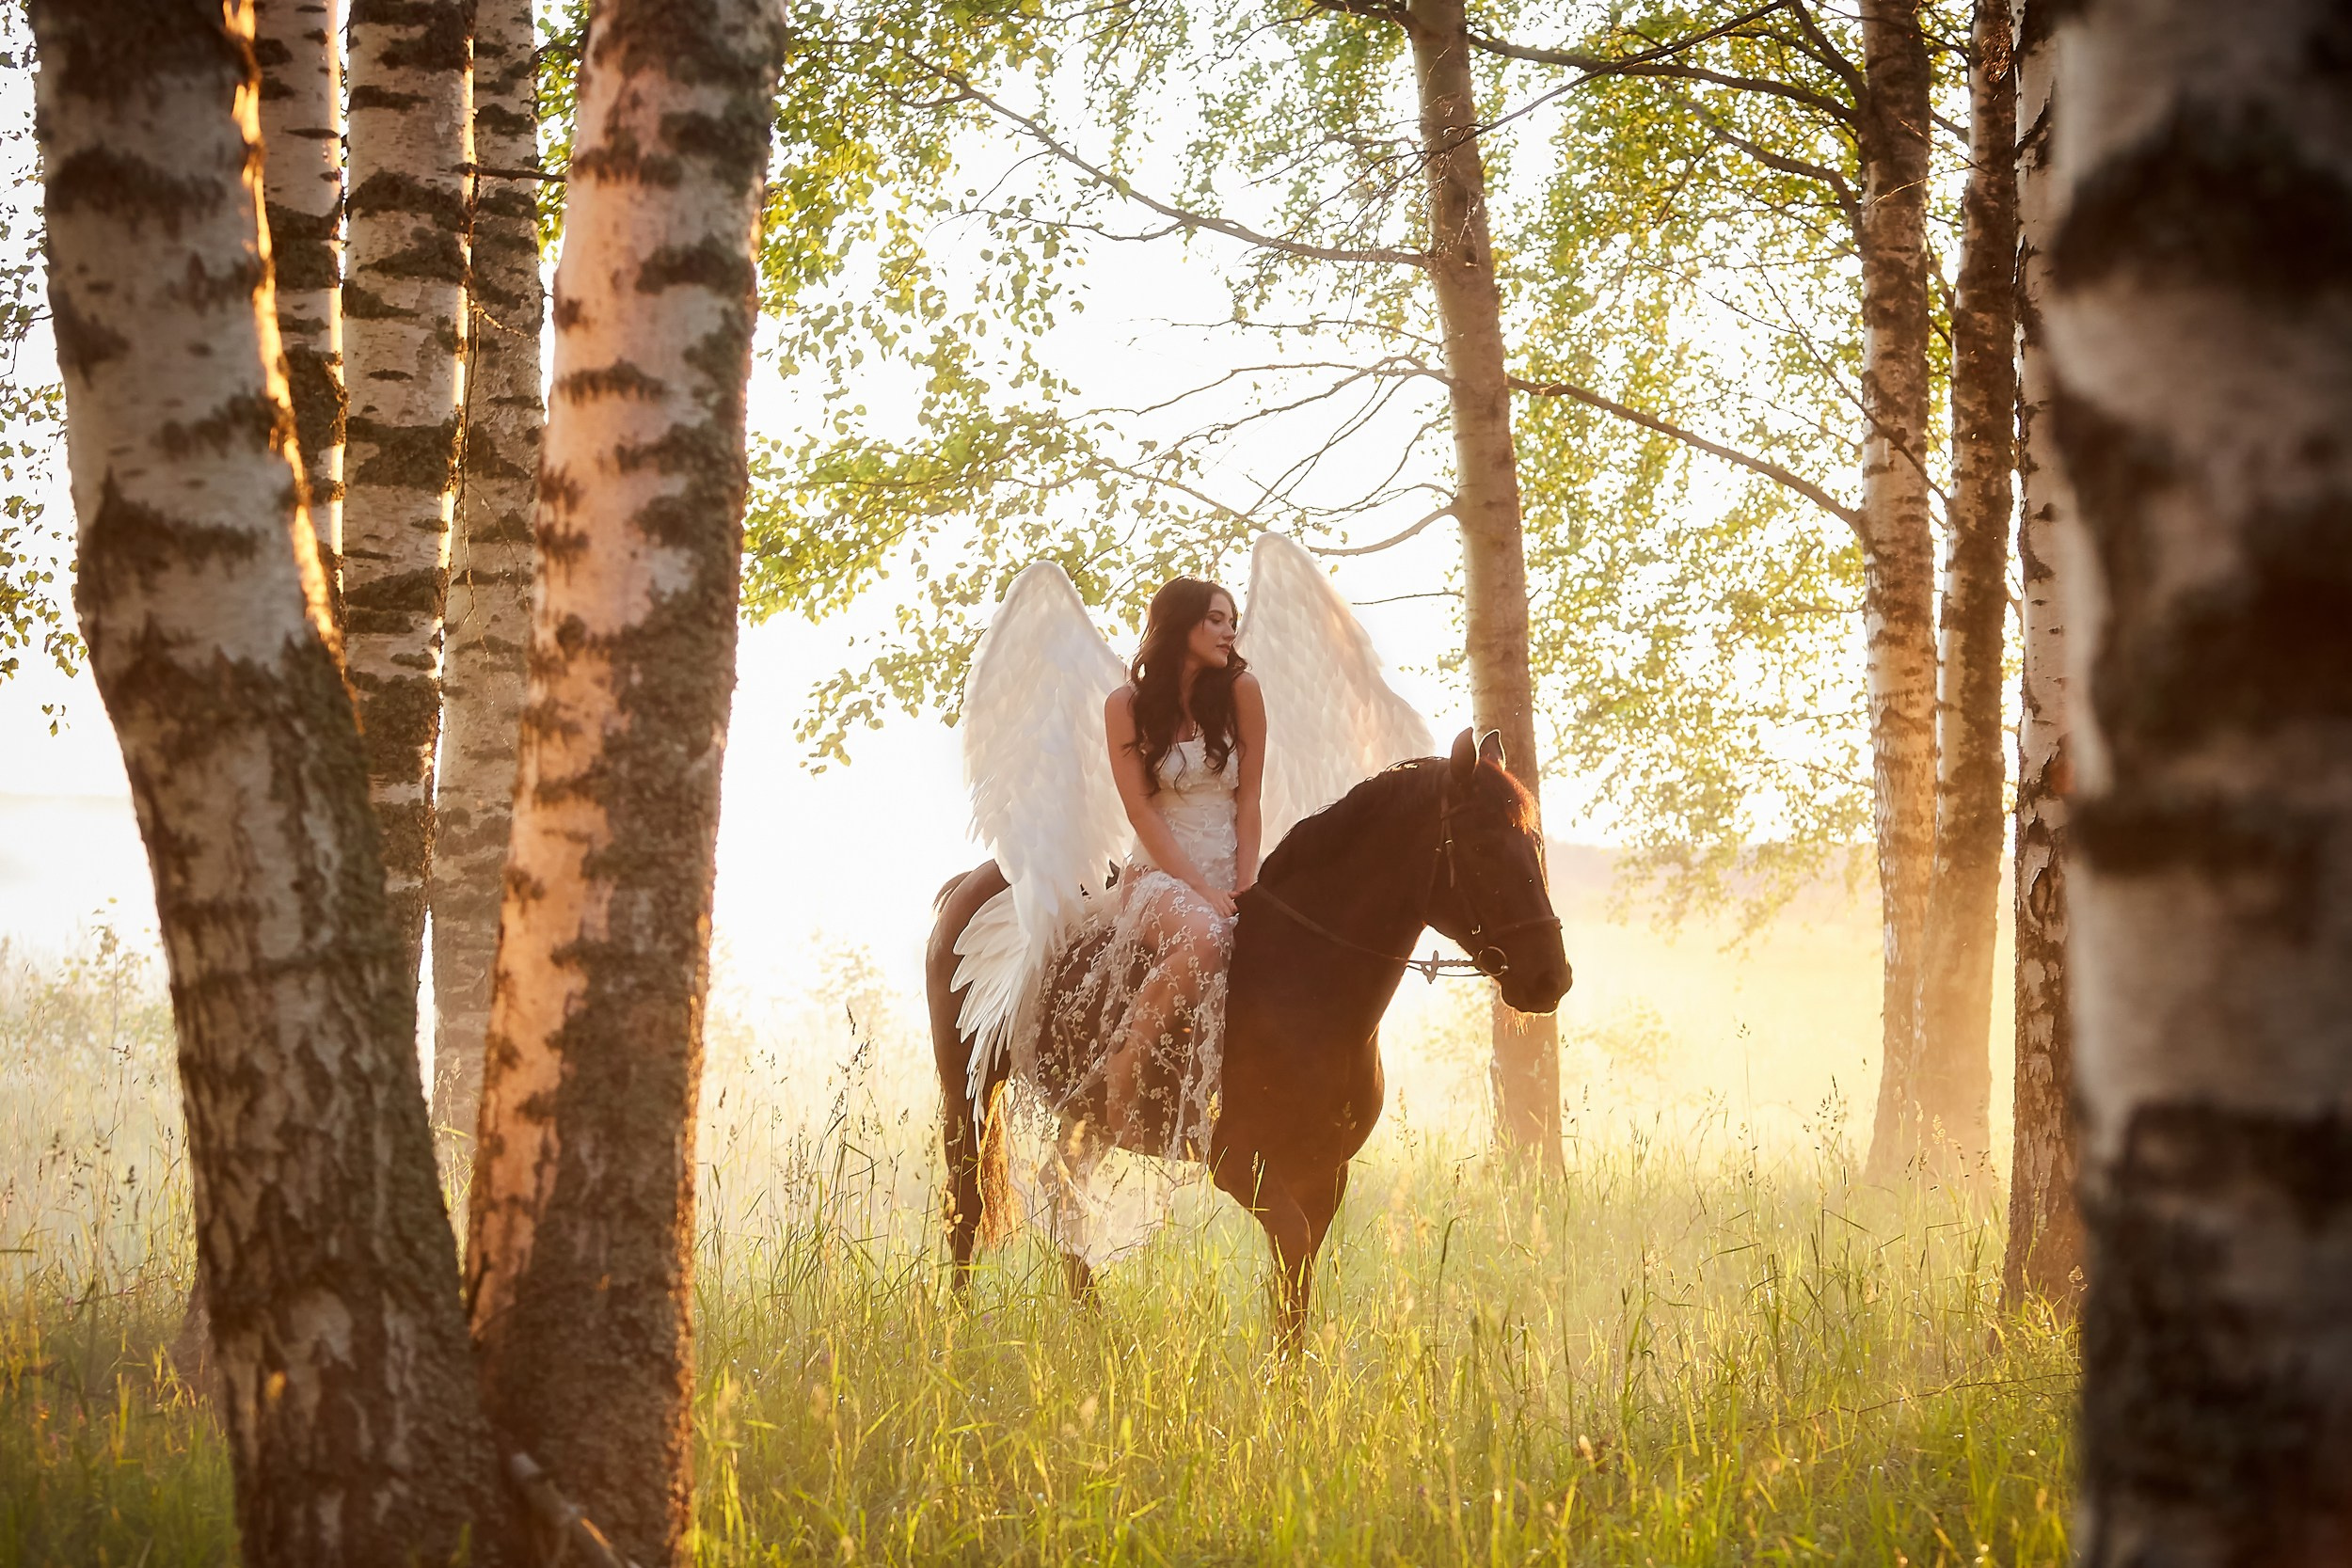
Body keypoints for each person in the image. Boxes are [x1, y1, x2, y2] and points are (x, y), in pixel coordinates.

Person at [1097, 577, 1265, 1144]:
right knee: (1208, 937)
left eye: (1231, 620)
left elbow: (1249, 801)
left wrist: (1246, 886)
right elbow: (1142, 813)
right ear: (1180, 624)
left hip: (1229, 873)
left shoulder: (1243, 692)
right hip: (1158, 873)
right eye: (1215, 619)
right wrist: (1201, 890)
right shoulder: (1125, 706)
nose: (1228, 630)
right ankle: (1113, 1084)